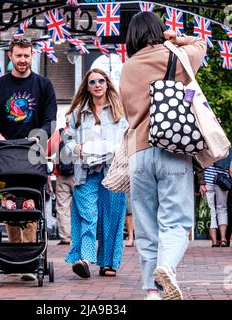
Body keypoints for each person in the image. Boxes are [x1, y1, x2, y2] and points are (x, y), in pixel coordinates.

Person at [120, 12, 207, 300]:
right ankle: (167, 267)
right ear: (159, 31)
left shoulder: (127, 67)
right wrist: (176, 38)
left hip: (138, 154)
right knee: (177, 220)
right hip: (172, 148)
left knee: (146, 225)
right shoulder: (175, 57)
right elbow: (201, 44)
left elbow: (127, 111)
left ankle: (151, 292)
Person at [0, 36, 57, 280]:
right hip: (5, 154)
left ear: (32, 55)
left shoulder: (44, 85)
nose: (22, 60)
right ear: (10, 56)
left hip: (32, 153)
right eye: (18, 56)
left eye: (26, 56)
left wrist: (40, 136)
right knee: (8, 204)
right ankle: (14, 258)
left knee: (31, 203)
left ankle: (31, 258)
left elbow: (50, 119)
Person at [64, 68, 128, 278]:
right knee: (88, 214)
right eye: (92, 82)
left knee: (112, 216)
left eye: (101, 81)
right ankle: (84, 258)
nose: (97, 85)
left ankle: (108, 262)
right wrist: (77, 149)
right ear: (87, 87)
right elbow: (68, 138)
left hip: (113, 171)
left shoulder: (120, 110)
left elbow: (130, 136)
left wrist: (121, 152)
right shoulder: (78, 112)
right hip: (85, 170)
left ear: (107, 83)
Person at [46, 114, 75, 245]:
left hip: (61, 175)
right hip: (79, 175)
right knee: (81, 206)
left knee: (63, 207)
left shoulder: (60, 133)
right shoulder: (81, 132)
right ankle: (80, 237)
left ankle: (65, 237)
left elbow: (46, 151)